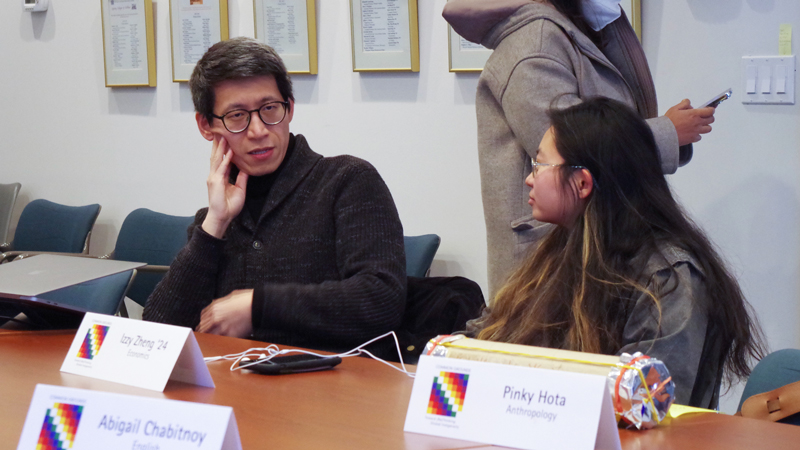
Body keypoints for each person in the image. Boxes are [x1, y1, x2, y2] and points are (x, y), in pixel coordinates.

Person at [466, 98, 764, 408]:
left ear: (582, 183)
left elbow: (647, 406)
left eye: (539, 164)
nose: (529, 177)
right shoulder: (561, 248)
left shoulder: (670, 277)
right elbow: (491, 336)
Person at [143, 38, 407, 353]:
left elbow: (382, 299)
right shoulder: (215, 219)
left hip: (329, 390)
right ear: (206, 125)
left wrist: (258, 306)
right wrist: (214, 225)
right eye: (237, 116)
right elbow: (158, 332)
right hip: (234, 389)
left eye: (270, 109)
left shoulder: (347, 181)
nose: (258, 130)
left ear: (290, 107)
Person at [443, 0, 716, 299]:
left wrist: (665, 130)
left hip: (588, 243)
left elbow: (596, 128)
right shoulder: (535, 42)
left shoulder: (564, 33)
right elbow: (569, 146)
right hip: (553, 256)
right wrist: (666, 133)